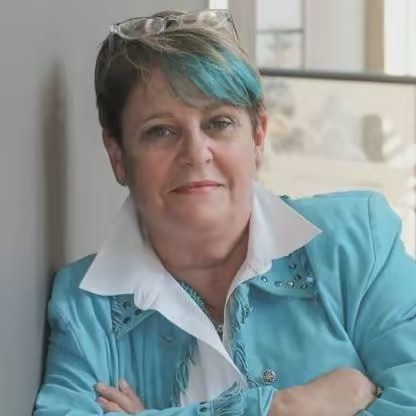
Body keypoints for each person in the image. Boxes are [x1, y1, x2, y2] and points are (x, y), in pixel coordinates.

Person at [34, 9, 416, 416]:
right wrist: (280, 407)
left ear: (258, 136)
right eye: (161, 130)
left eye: (219, 123)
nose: (196, 153)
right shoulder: (86, 306)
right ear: (118, 157)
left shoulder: (357, 243)